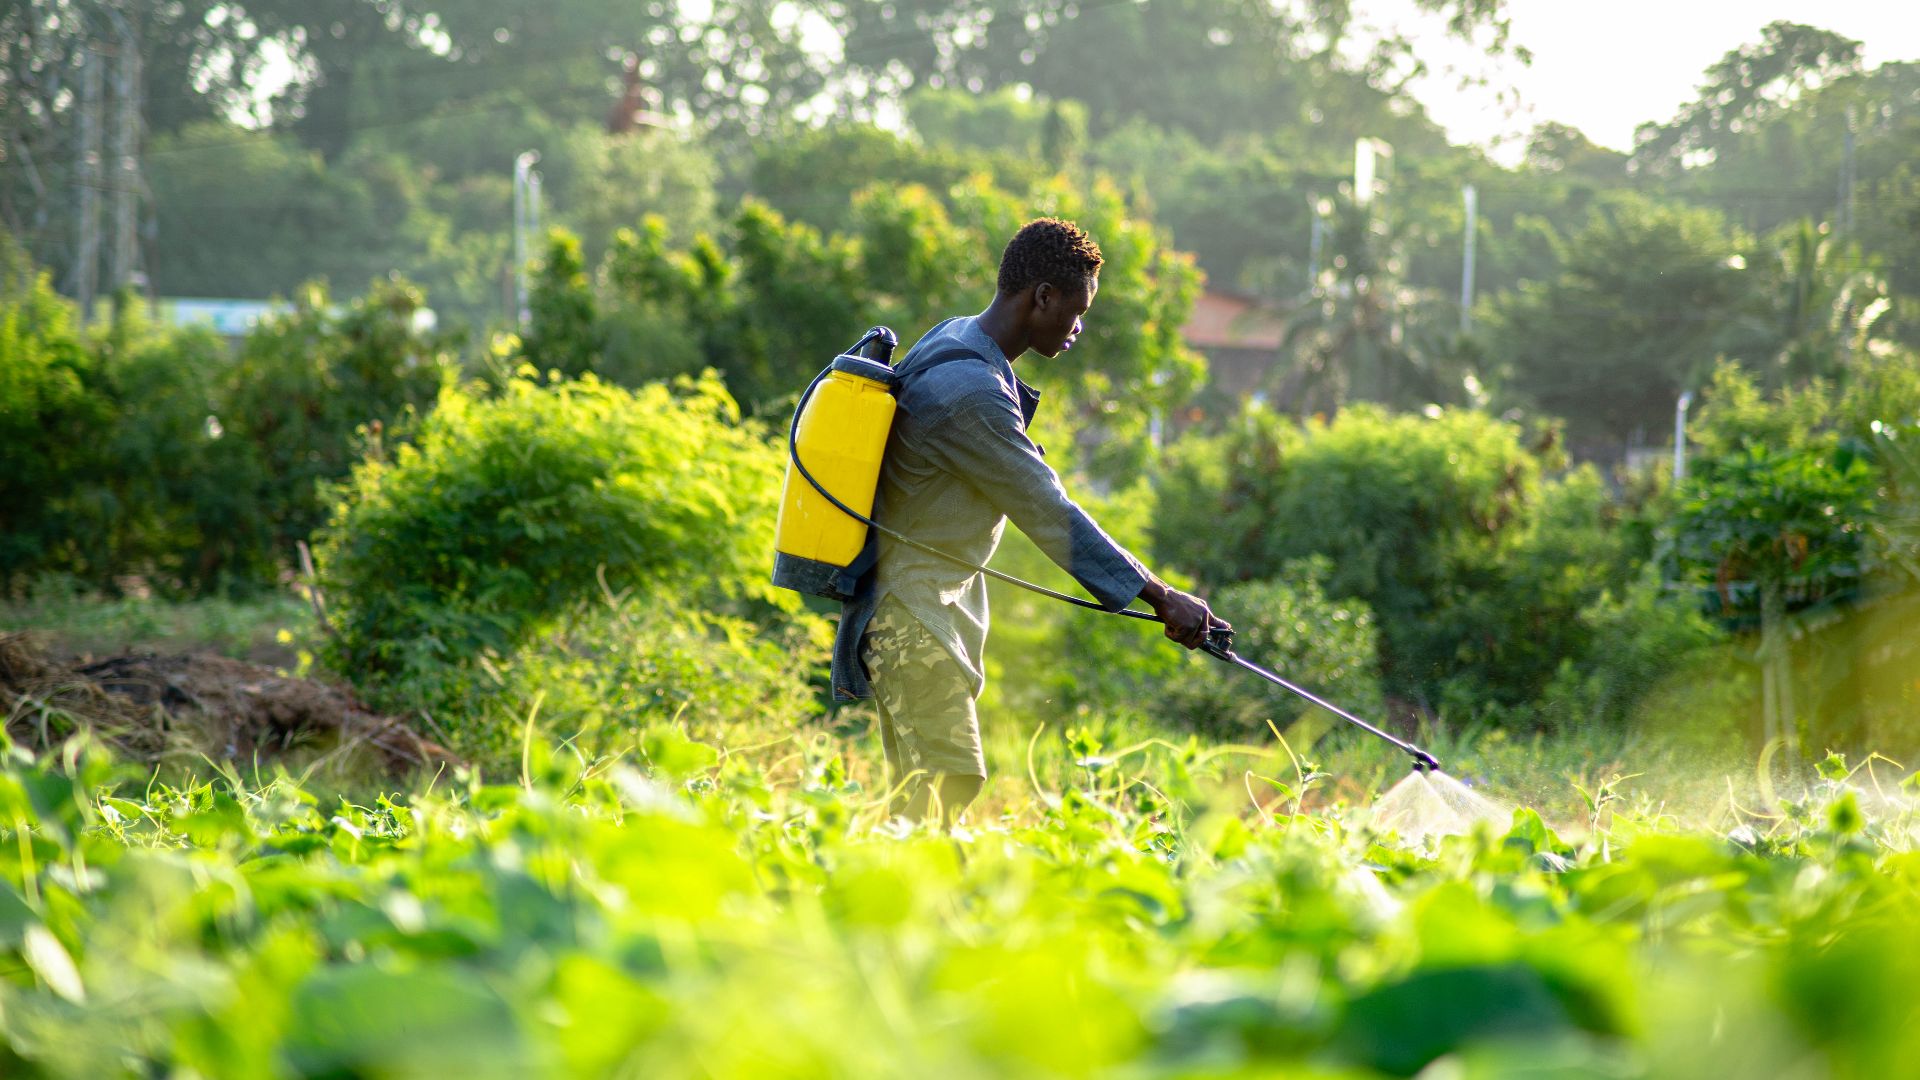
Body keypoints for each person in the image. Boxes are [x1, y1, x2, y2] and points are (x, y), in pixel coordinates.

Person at [830, 217, 1228, 826]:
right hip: (908, 612)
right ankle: (871, 902)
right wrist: (1162, 597)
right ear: (1043, 296)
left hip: (926, 607)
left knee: (923, 800)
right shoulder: (972, 391)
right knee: (947, 783)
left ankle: (880, 904)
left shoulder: (956, 337)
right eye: (1077, 309)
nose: (1079, 328)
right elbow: (1048, 512)